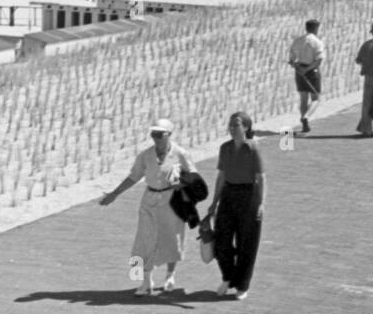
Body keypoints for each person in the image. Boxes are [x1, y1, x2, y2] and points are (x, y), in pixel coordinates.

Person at [100, 118, 197, 296]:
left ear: (169, 135)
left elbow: (194, 177)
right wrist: (115, 194)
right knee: (144, 240)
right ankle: (143, 281)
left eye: (159, 134)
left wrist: (181, 183)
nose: (155, 138)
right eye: (153, 134)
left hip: (172, 201)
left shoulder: (180, 153)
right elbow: (134, 176)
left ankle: (170, 275)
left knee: (172, 239)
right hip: (150, 200)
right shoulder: (145, 155)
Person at [202, 112, 265, 300]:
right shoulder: (225, 148)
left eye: (236, 125)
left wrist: (261, 203)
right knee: (222, 240)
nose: (232, 128)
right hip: (228, 195)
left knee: (247, 242)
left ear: (246, 127)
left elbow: (261, 178)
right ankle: (228, 277)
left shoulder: (253, 148)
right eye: (230, 125)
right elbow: (221, 177)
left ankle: (242, 284)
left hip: (249, 196)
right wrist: (214, 203)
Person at [288, 19, 324, 133]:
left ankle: (304, 125)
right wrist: (307, 69)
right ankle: (306, 117)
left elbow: (291, 59)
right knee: (316, 98)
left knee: (303, 99)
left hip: (299, 71)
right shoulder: (317, 42)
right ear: (316, 28)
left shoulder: (297, 41)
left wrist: (298, 68)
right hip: (311, 71)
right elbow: (318, 60)